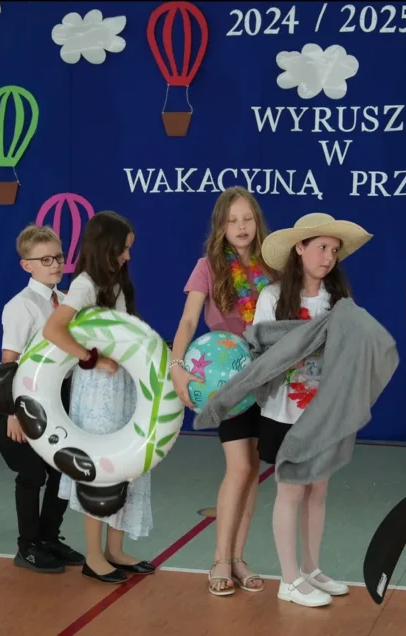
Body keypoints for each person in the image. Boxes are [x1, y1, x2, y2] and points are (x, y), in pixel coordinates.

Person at [251, 212, 372, 608]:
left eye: (334, 250)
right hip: (284, 412)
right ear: (299, 248)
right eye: (321, 247)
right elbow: (260, 353)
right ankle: (288, 579)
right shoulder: (272, 297)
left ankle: (310, 568)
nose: (328, 257)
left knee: (318, 489)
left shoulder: (339, 300)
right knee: (290, 491)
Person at [169, 186, 276, 596]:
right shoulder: (208, 266)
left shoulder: (274, 264)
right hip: (226, 378)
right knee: (240, 467)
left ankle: (238, 557)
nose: (241, 226)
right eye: (232, 220)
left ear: (257, 221)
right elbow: (187, 320)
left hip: (268, 377)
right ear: (221, 226)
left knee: (254, 470)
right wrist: (177, 367)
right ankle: (219, 559)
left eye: (247, 218)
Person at [43, 211, 155, 584]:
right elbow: (53, 329)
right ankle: (94, 555)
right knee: (101, 469)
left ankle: (115, 549)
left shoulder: (117, 282)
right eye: (123, 248)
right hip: (98, 393)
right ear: (105, 246)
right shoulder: (85, 284)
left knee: (128, 463)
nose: (127, 256)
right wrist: (90, 358)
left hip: (123, 387)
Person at [0, 224, 84, 573]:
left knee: (62, 470)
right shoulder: (22, 307)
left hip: (57, 398)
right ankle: (27, 546)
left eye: (58, 257)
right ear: (26, 265)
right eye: (45, 260)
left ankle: (48, 538)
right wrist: (12, 412)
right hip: (23, 399)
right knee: (31, 474)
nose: (55, 264)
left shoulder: (66, 301)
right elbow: (8, 364)